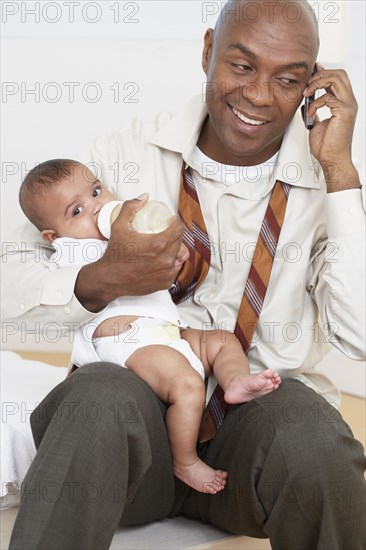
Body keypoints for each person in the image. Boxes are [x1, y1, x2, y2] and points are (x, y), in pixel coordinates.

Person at [4, 1, 365, 549]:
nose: (261, 96)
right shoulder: (120, 158)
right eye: (242, 66)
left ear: (310, 86)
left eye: (288, 79)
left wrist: (340, 172)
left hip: (256, 437)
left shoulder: (327, 179)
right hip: (133, 441)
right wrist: (104, 277)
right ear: (206, 53)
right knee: (97, 394)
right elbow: (9, 282)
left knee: (313, 437)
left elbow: (360, 336)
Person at [18, 158, 281, 495]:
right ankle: (184, 460)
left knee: (221, 341)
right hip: (128, 340)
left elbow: (159, 266)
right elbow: (97, 275)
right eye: (77, 211)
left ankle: (236, 382)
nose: (98, 207)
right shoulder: (71, 251)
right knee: (188, 385)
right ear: (54, 235)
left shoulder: (122, 231)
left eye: (97, 191)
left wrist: (170, 252)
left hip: (167, 331)